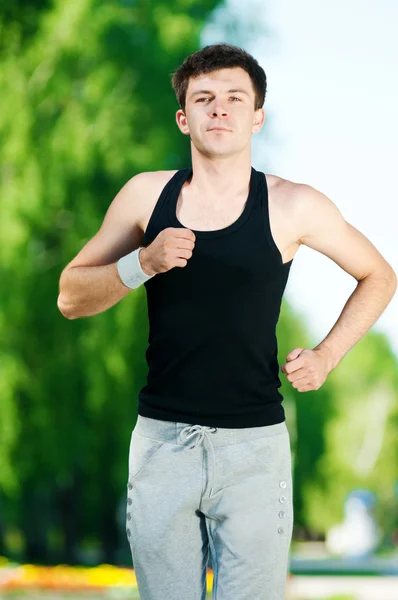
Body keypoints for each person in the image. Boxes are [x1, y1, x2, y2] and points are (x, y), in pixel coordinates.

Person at [57, 43, 397, 600]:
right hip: (163, 445)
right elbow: (71, 295)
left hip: (255, 450)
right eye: (204, 98)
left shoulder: (294, 205)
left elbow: (379, 275)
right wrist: (141, 262)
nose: (220, 109)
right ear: (183, 118)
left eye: (235, 98)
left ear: (257, 116)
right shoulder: (147, 196)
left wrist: (328, 355)